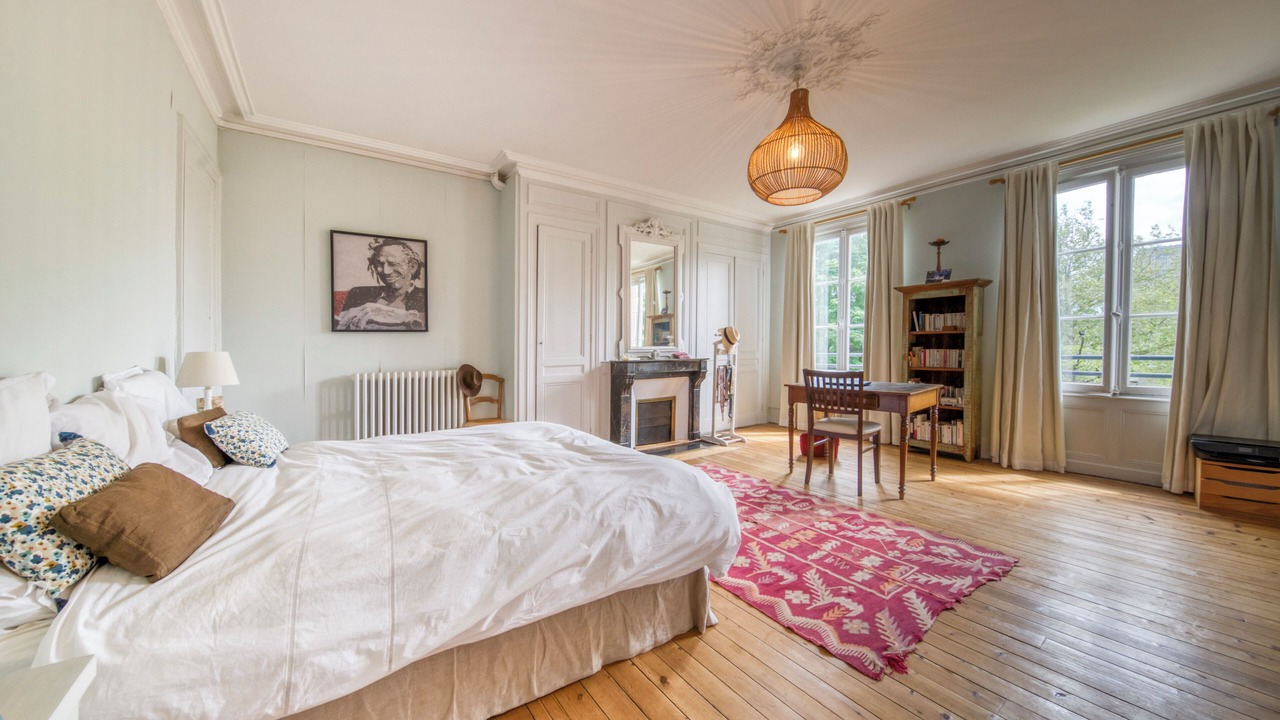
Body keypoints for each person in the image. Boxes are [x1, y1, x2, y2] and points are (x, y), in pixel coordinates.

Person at [335, 238, 426, 330]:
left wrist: (393, 314)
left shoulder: (425, 295)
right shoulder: (358, 293)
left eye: (393, 263)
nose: (385, 271)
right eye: (379, 263)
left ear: (413, 266)